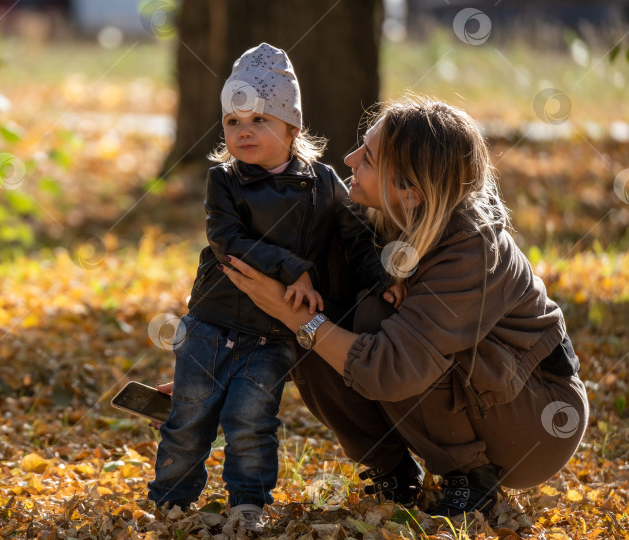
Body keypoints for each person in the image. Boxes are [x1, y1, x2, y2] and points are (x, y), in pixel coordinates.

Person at [220, 95, 589, 518]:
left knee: (356, 322)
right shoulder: (373, 218)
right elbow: (305, 317)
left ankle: (470, 476)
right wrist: (220, 373)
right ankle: (393, 470)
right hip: (483, 394)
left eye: (370, 158)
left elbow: (393, 368)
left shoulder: (471, 249)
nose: (350, 157)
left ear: (411, 191)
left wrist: (297, 318)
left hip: (533, 422)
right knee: (314, 312)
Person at [147, 43, 393, 530]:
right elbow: (227, 240)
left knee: (251, 421)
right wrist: (293, 269)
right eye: (233, 123)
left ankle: (247, 503)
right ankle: (171, 500)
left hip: (273, 335)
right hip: (211, 321)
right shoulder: (224, 181)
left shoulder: (324, 184)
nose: (244, 132)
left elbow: (357, 241)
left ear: (291, 127)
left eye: (259, 120)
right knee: (189, 416)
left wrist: (386, 279)